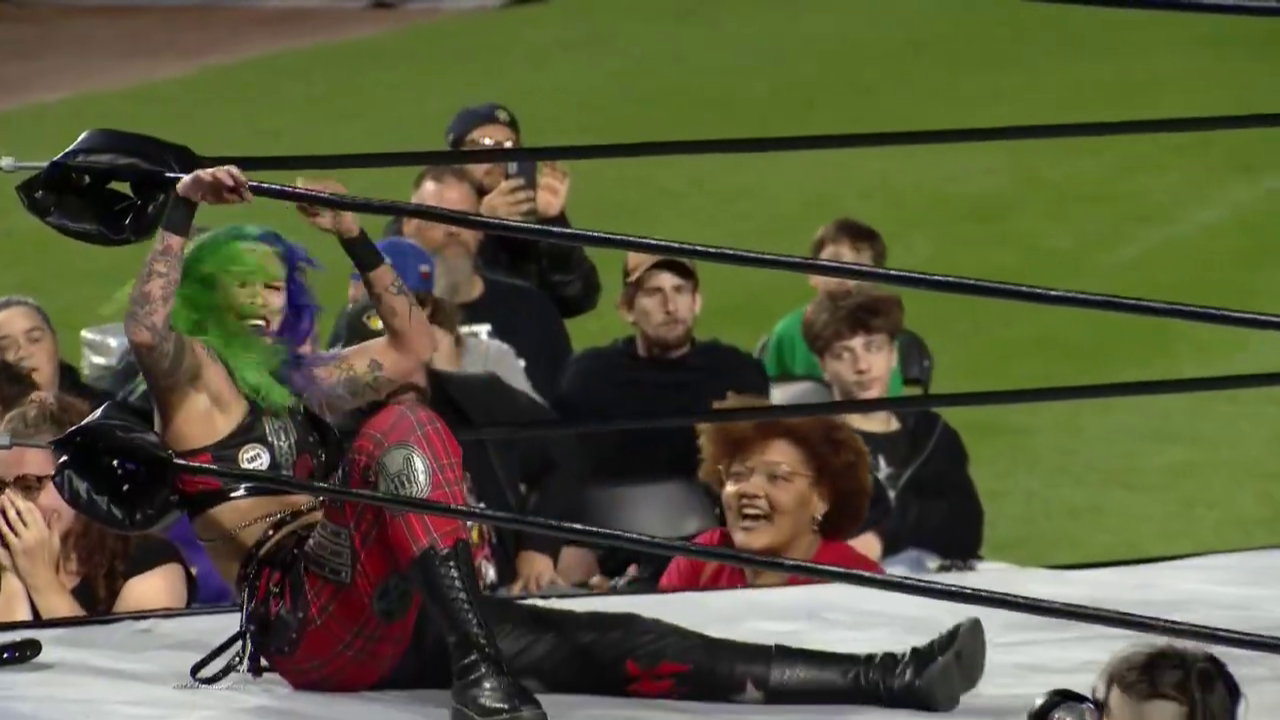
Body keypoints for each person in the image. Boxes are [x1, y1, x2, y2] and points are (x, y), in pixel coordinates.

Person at [55, 166, 990, 718]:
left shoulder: (305, 381)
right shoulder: (199, 386)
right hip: (307, 617)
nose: (263, 299)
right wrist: (181, 210)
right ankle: (481, 671)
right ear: (210, 295)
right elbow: (146, 328)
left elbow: (411, 345)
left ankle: (893, 680)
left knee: (625, 642)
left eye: (274, 283)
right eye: (244, 284)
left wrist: (354, 237)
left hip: (392, 604)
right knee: (404, 427)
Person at [301, 169, 572, 402]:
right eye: (438, 218)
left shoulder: (529, 313)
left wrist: (454, 381)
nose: (453, 230)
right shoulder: (368, 315)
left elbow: (551, 428)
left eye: (464, 218)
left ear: (481, 228)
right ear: (408, 226)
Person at [802, 286, 984, 569]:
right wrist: (923, 516)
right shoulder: (812, 446)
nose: (862, 366)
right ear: (823, 366)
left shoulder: (932, 434)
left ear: (894, 354)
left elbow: (965, 525)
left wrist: (882, 537)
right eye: (843, 354)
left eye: (873, 347)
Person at [659, 395, 884, 591]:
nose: (749, 489)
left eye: (777, 477)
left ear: (821, 499)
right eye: (737, 475)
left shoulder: (858, 580)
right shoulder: (703, 558)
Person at [0, 392, 191, 622]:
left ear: (79, 482)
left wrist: (40, 579)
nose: (8, 503)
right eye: (0, 488)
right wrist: (10, 580)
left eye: (29, 486)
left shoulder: (150, 567)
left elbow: (109, 649)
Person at [440, 102, 601, 320]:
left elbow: (578, 298)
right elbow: (434, 292)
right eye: (485, 143)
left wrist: (554, 222)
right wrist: (480, 223)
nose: (499, 155)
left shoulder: (526, 224)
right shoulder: (427, 214)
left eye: (509, 145)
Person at [332, 239, 540, 401]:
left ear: (426, 308)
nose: (362, 320)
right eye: (356, 306)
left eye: (378, 311)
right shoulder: (342, 366)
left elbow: (539, 435)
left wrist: (452, 382)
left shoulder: (488, 360)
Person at [757, 218, 922, 393]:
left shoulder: (881, 332)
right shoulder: (787, 333)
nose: (846, 275)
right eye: (835, 262)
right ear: (812, 274)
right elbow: (767, 394)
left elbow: (890, 400)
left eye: (859, 267)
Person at [0, 295, 112, 408]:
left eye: (35, 339)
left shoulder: (105, 410)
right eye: (5, 347)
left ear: (55, 343)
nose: (23, 353)